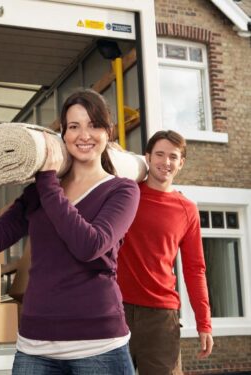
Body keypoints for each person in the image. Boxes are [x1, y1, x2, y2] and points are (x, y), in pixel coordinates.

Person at [0, 89, 140, 375]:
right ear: (63, 134)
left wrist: (48, 183)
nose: (84, 135)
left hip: (98, 344)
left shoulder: (122, 190)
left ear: (107, 132)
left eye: (93, 125)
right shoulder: (40, 192)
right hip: (35, 346)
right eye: (74, 126)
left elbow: (89, 245)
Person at [117, 130, 213, 375]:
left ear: (181, 163)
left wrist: (204, 323)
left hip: (161, 318)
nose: (166, 162)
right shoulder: (126, 194)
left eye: (173, 157)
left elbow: (195, 269)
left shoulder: (187, 210)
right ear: (147, 157)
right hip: (115, 309)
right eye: (159, 154)